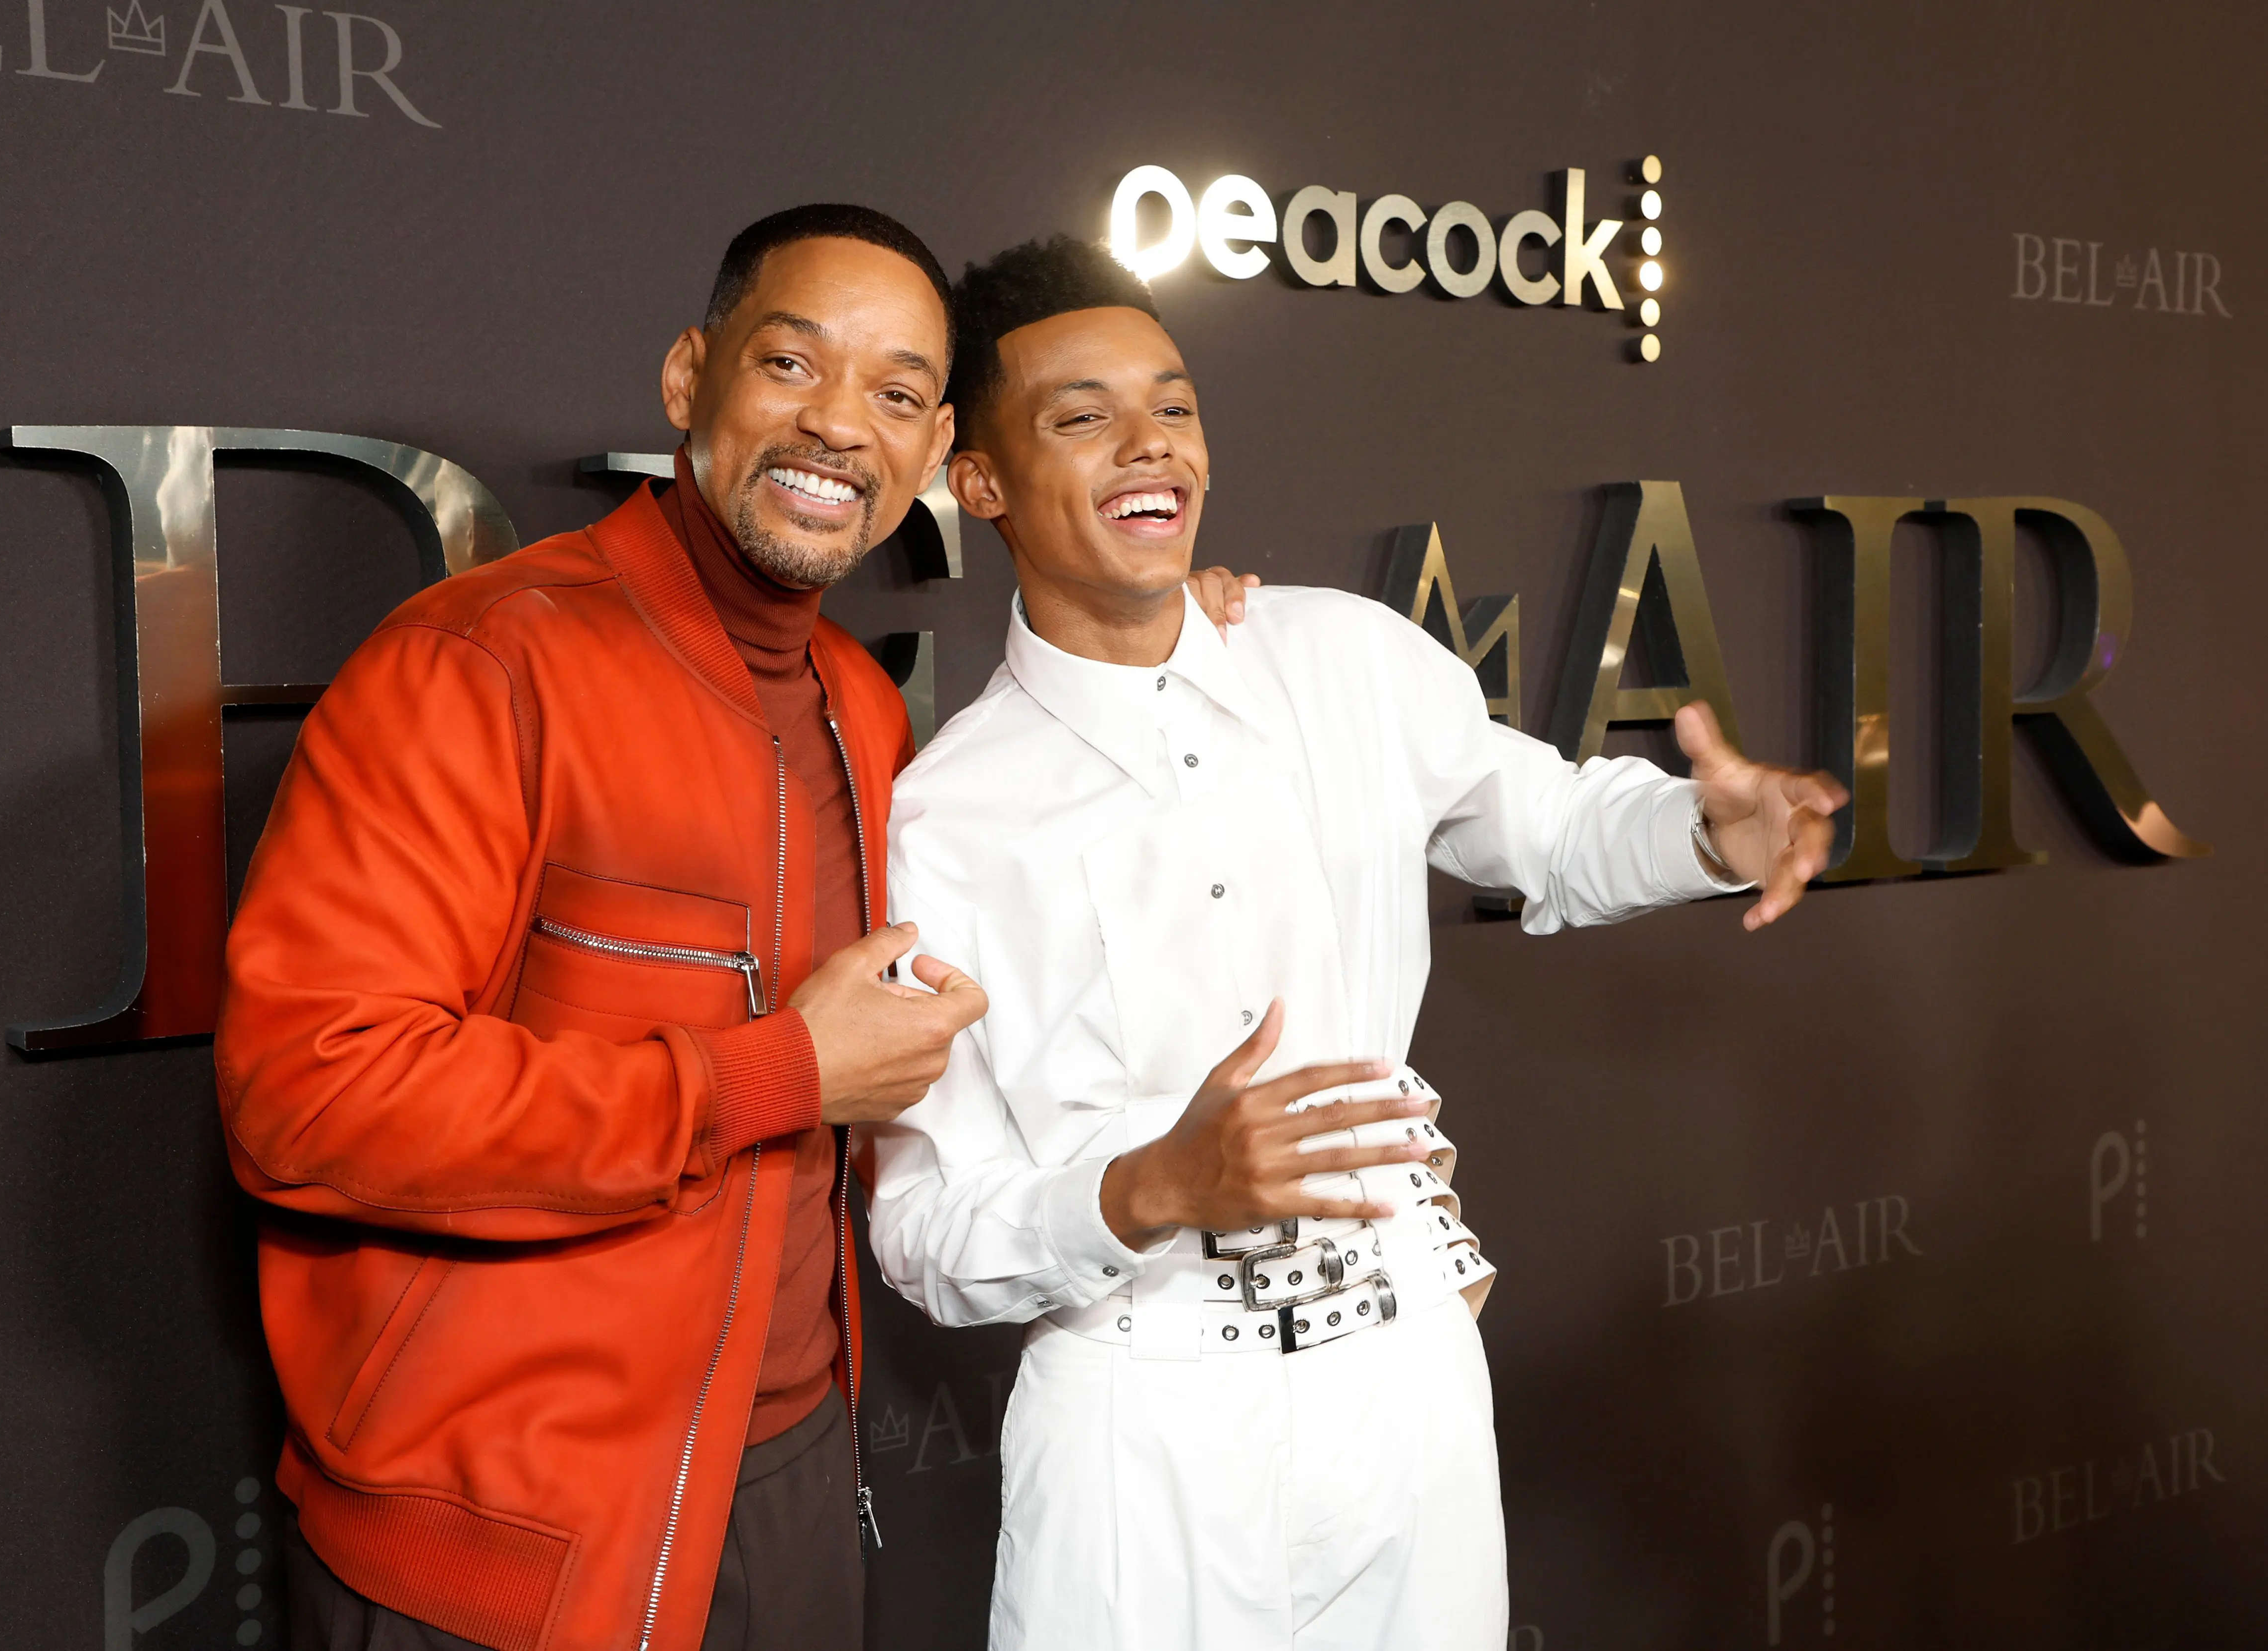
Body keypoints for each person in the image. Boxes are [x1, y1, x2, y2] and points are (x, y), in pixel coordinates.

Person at [216, 203, 1253, 1651]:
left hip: (790, 1490)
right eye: (791, 364)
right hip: (503, 1540)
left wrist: (1181, 630)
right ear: (687, 378)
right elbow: (309, 1095)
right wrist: (775, 1072)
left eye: (896, 393)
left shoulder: (865, 708)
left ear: (936, 452)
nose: (840, 424)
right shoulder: (481, 662)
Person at [865, 236, 1845, 1651]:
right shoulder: (947, 811)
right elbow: (922, 1229)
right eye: (1084, 417)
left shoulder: (1345, 658)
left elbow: (1555, 827)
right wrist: (1147, 1188)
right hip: (1143, 1432)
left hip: (1408, 1390)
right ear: (979, 481)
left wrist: (1710, 830)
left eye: (1175, 406)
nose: (1151, 444)